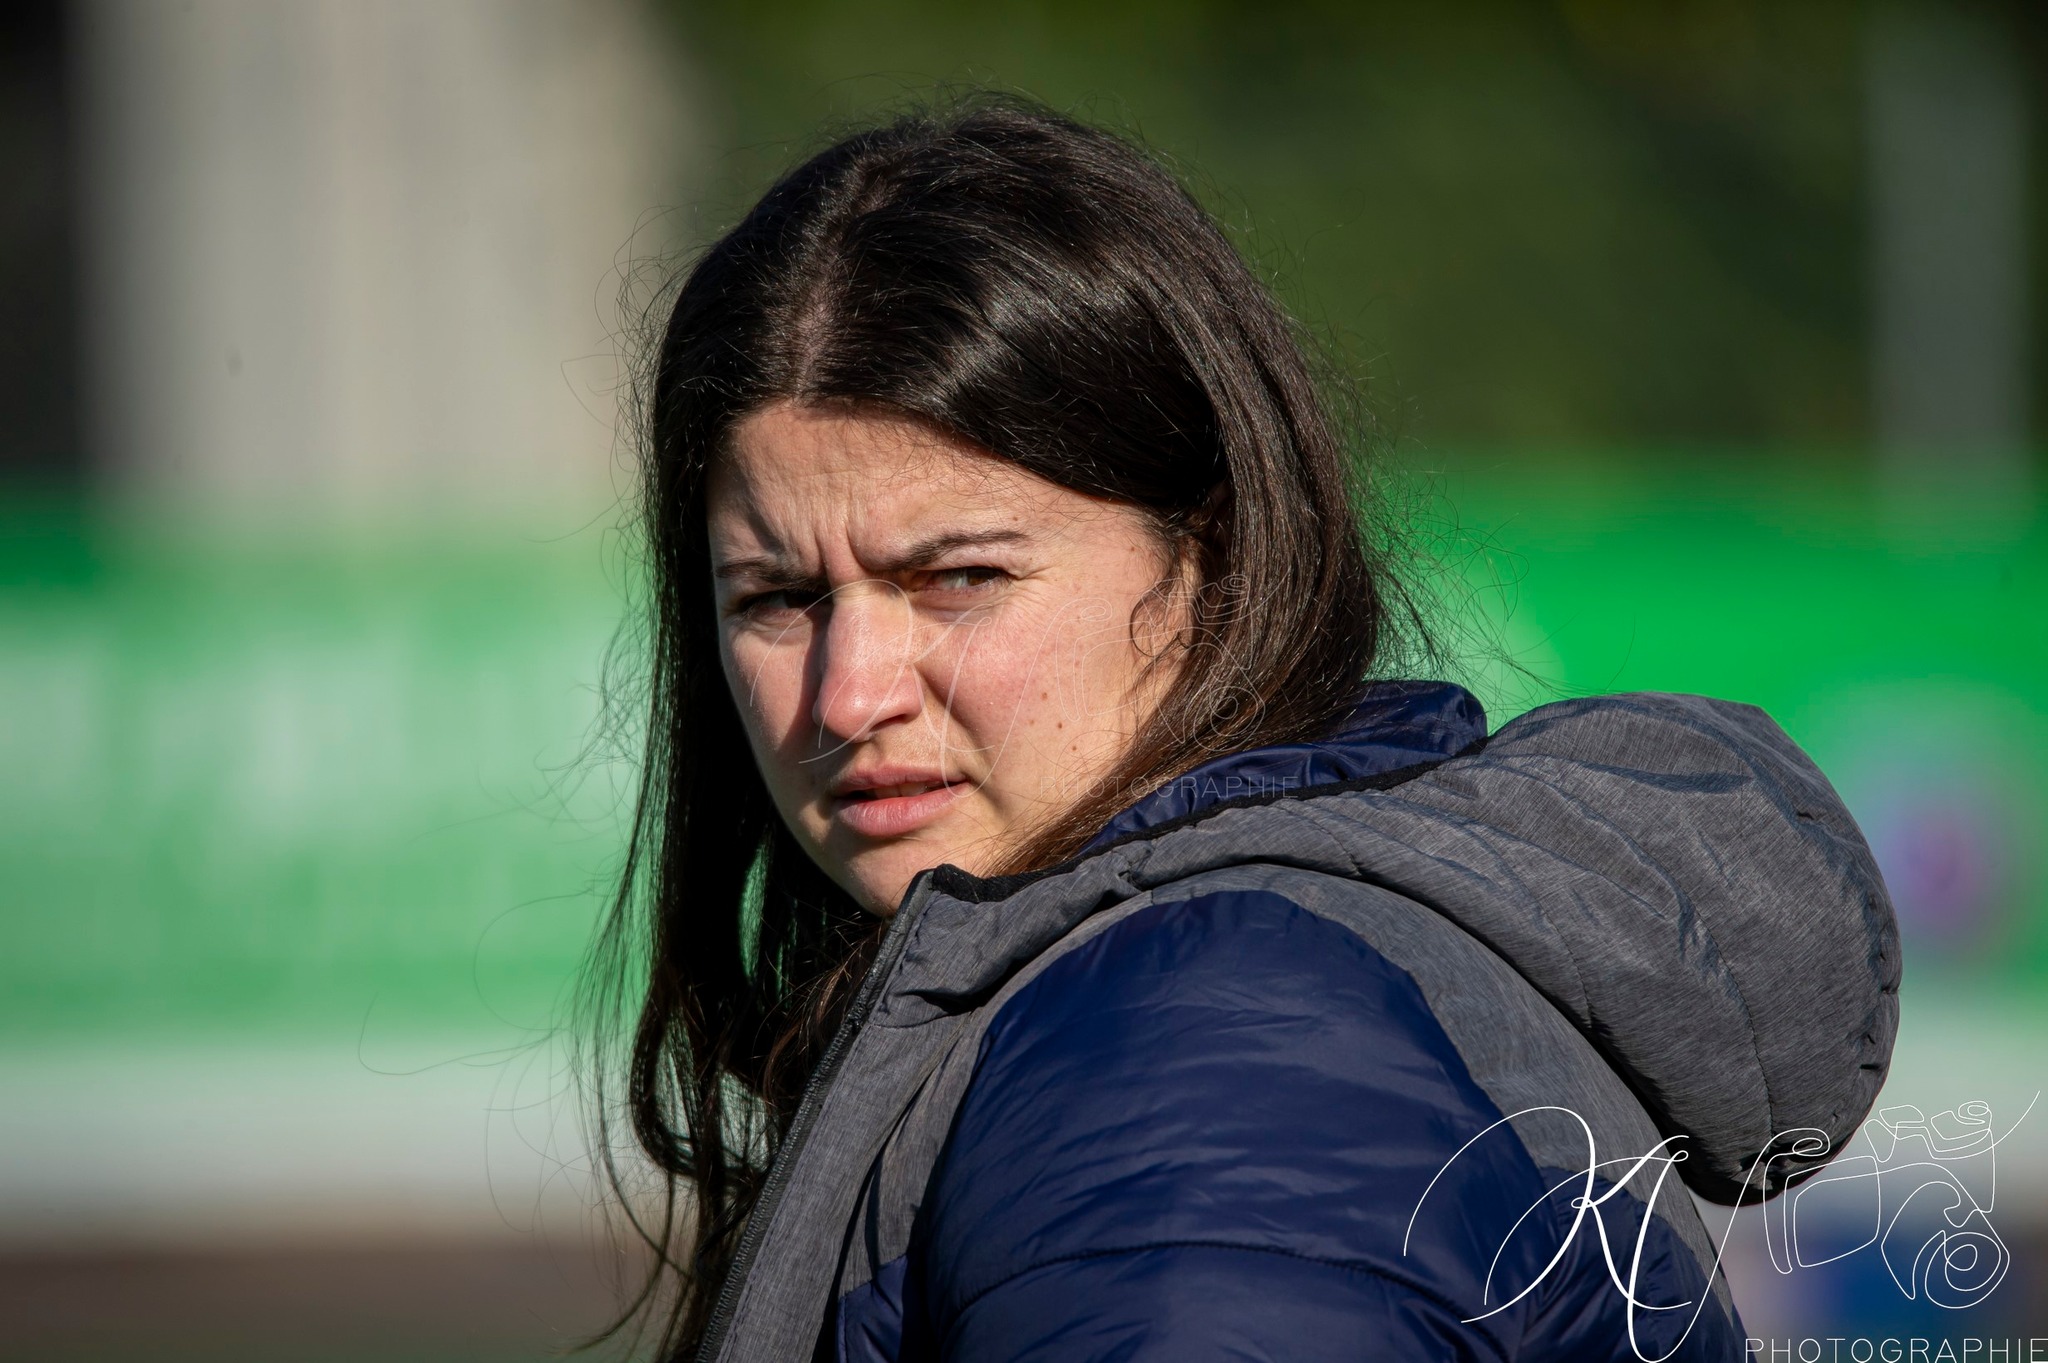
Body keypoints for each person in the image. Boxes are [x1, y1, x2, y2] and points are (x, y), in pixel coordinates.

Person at [587, 97, 1899, 1363]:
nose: (847, 694)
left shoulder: (1199, 1055)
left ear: (1211, 557)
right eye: (778, 598)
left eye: (960, 578)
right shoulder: (1237, 977)